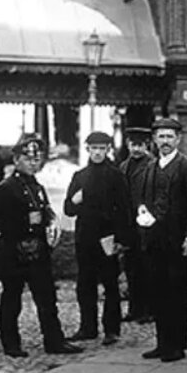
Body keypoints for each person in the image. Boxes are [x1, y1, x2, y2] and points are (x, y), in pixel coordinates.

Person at [0, 134, 82, 358]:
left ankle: (54, 341)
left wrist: (50, 220)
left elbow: (45, 209)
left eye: (36, 159)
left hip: (38, 252)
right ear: (17, 160)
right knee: (12, 300)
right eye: (28, 159)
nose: (33, 163)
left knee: (47, 299)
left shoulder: (38, 187)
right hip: (13, 253)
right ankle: (11, 344)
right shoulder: (5, 188)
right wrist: (24, 222)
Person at [140, 117, 187, 362]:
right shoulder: (150, 168)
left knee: (176, 293)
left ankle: (177, 345)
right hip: (154, 240)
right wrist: (142, 218)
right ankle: (161, 343)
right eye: (161, 136)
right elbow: (144, 202)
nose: (165, 141)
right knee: (157, 292)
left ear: (178, 139)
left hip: (179, 241)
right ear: (154, 140)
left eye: (169, 137)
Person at [63, 131, 132, 347]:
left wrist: (122, 239)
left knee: (110, 284)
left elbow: (124, 210)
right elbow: (68, 209)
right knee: (85, 284)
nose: (98, 153)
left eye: (102, 148)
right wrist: (75, 200)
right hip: (85, 237)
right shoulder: (79, 176)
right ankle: (87, 327)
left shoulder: (115, 175)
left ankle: (111, 329)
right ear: (88, 150)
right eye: (94, 148)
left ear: (108, 150)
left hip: (107, 237)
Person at [117, 127, 154, 323]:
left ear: (147, 145)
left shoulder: (153, 165)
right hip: (129, 224)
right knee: (131, 267)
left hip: (146, 223)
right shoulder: (123, 166)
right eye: (133, 145)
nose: (136, 149)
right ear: (128, 145)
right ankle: (134, 308)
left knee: (147, 267)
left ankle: (149, 309)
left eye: (140, 145)